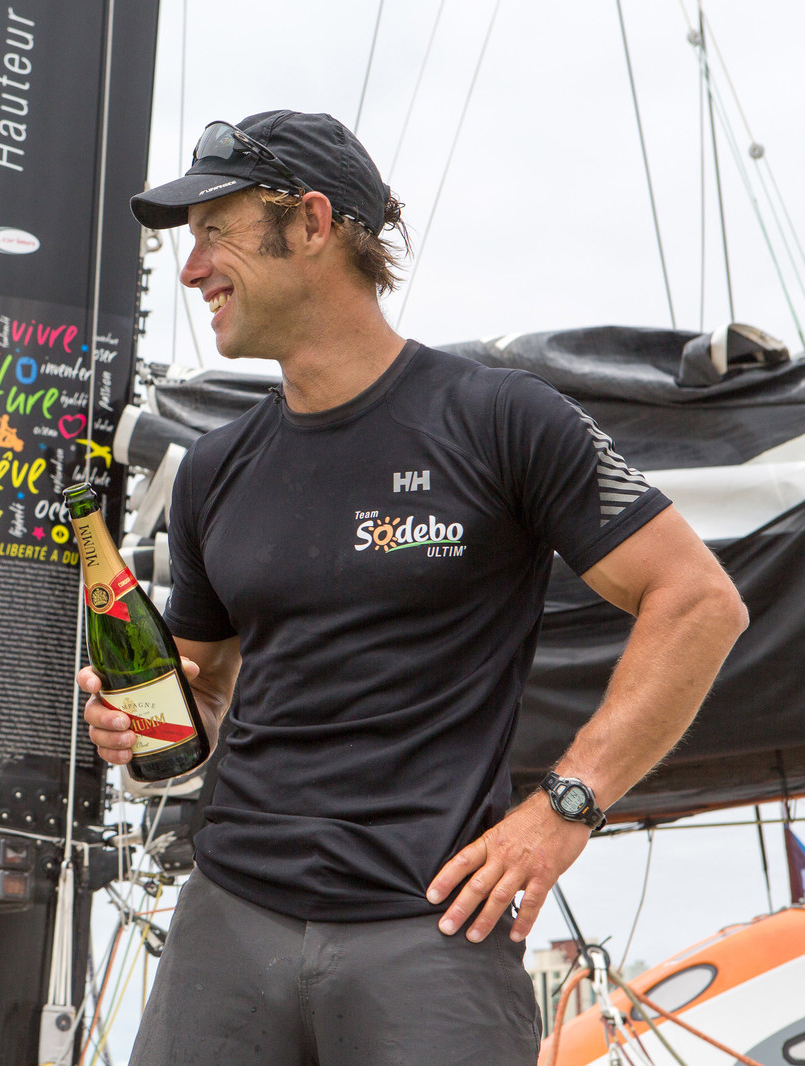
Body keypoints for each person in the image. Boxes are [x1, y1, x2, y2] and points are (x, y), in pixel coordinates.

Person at [79, 110, 749, 1064]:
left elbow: (697, 603)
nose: (192, 271)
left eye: (214, 235)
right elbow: (209, 687)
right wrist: (145, 719)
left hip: (431, 931)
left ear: (310, 224)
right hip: (228, 920)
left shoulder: (502, 421)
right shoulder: (217, 468)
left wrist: (565, 808)